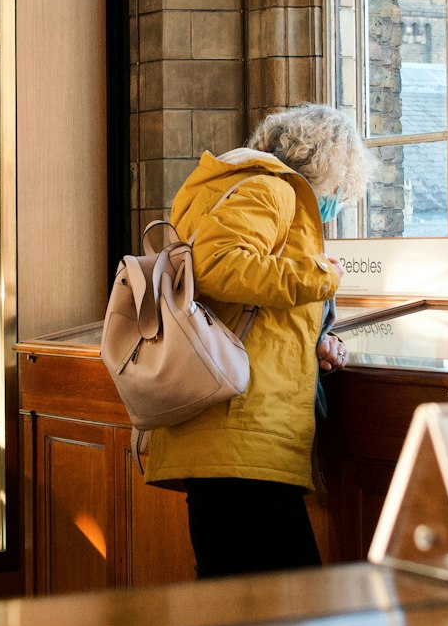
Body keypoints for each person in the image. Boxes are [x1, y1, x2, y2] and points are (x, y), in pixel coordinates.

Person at [144, 103, 376, 579]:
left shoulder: (241, 188)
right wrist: (319, 276)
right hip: (241, 431)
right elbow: (218, 264)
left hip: (228, 429)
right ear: (332, 167)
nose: (334, 206)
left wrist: (317, 341)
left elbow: (246, 306)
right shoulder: (271, 189)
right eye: (339, 192)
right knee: (284, 602)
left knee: (237, 594)